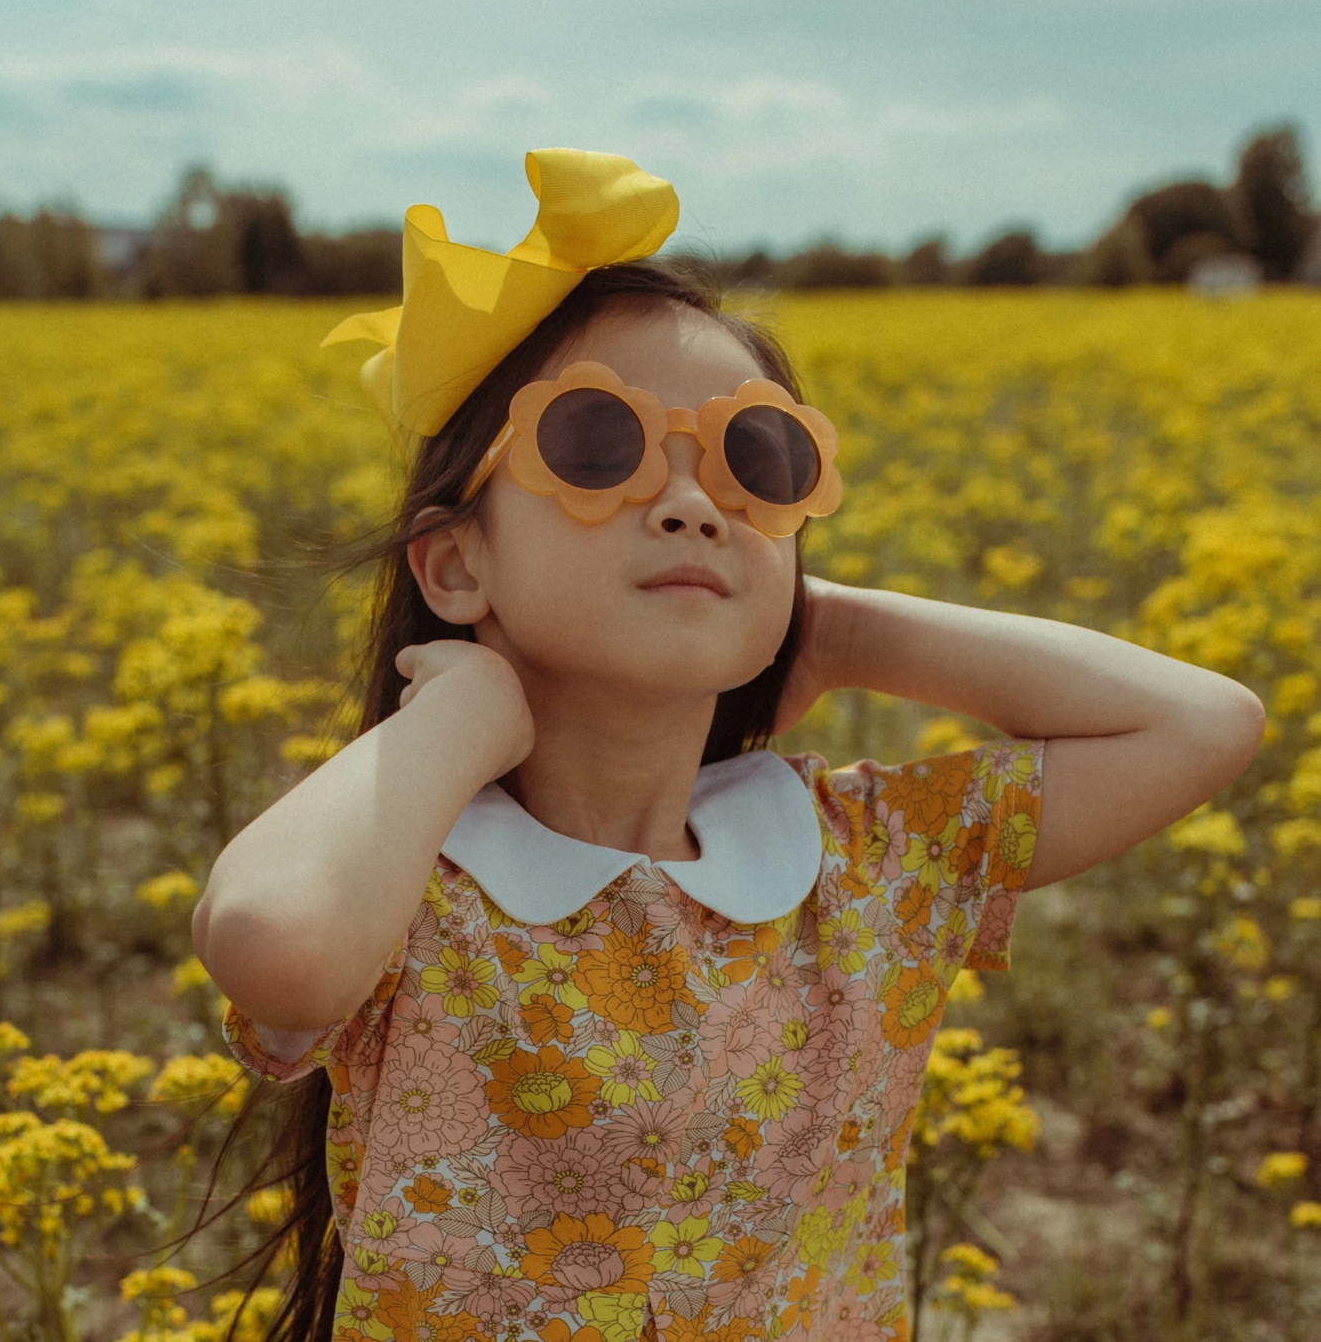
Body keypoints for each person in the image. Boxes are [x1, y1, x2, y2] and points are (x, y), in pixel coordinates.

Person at [192, 150, 1263, 1342]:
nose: (695, 502)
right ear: (456, 564)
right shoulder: (413, 880)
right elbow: (271, 945)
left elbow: (1202, 722)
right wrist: (454, 716)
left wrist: (836, 624)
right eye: (599, 445)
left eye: (759, 464)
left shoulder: (854, 868)